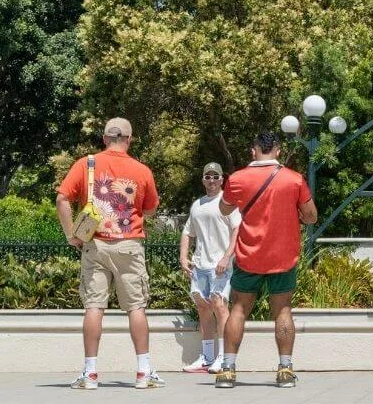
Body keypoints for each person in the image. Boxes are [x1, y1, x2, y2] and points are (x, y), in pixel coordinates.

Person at [55, 117, 165, 390]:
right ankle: (143, 372)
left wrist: (72, 234)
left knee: (94, 307)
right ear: (129, 140)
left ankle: (90, 374)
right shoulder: (141, 170)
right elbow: (150, 209)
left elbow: (62, 198)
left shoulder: (86, 164)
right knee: (136, 307)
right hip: (130, 246)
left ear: (104, 138)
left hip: (95, 244)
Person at [215, 132, 318, 389]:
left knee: (238, 309)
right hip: (283, 255)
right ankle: (285, 369)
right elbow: (312, 216)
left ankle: (227, 370)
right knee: (282, 311)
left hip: (249, 255)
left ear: (253, 151)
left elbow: (224, 209)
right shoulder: (294, 179)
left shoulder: (237, 178)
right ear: (278, 151)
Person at [180, 161, 241, 373]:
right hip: (200, 265)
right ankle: (206, 357)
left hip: (220, 266)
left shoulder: (228, 203)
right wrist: (183, 257)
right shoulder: (197, 205)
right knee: (203, 309)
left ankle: (224, 358)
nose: (212, 180)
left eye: (216, 176)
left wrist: (226, 257)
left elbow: (236, 230)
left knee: (220, 307)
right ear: (203, 179)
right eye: (208, 176)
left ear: (222, 179)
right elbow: (187, 232)